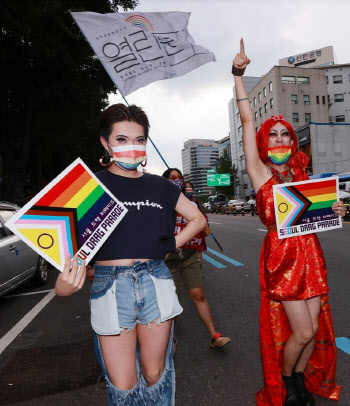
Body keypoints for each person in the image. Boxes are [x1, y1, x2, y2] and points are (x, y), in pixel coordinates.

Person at [54, 104, 206, 406]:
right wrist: (63, 285)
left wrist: (169, 246)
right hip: (111, 287)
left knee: (154, 372)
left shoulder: (162, 187)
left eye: (138, 139)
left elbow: (198, 219)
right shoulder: (88, 188)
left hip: (155, 279)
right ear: (105, 143)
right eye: (121, 140)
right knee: (123, 385)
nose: (131, 147)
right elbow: (65, 250)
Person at [232, 39, 345, 406]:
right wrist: (238, 76)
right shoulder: (260, 173)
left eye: (285, 134)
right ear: (265, 141)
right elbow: (247, 119)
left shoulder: (301, 172)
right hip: (282, 259)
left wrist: (336, 211)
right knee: (304, 329)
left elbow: (319, 210)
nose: (279, 138)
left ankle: (298, 380)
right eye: (273, 134)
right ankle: (284, 383)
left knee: (312, 332)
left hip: (311, 251)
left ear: (291, 140)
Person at [162, 168, 230, 349]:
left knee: (198, 294)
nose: (177, 181)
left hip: (190, 256)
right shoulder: (160, 203)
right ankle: (170, 338)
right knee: (171, 300)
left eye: (179, 178)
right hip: (168, 261)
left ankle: (214, 335)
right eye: (172, 178)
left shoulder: (191, 204)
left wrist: (205, 227)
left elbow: (204, 229)